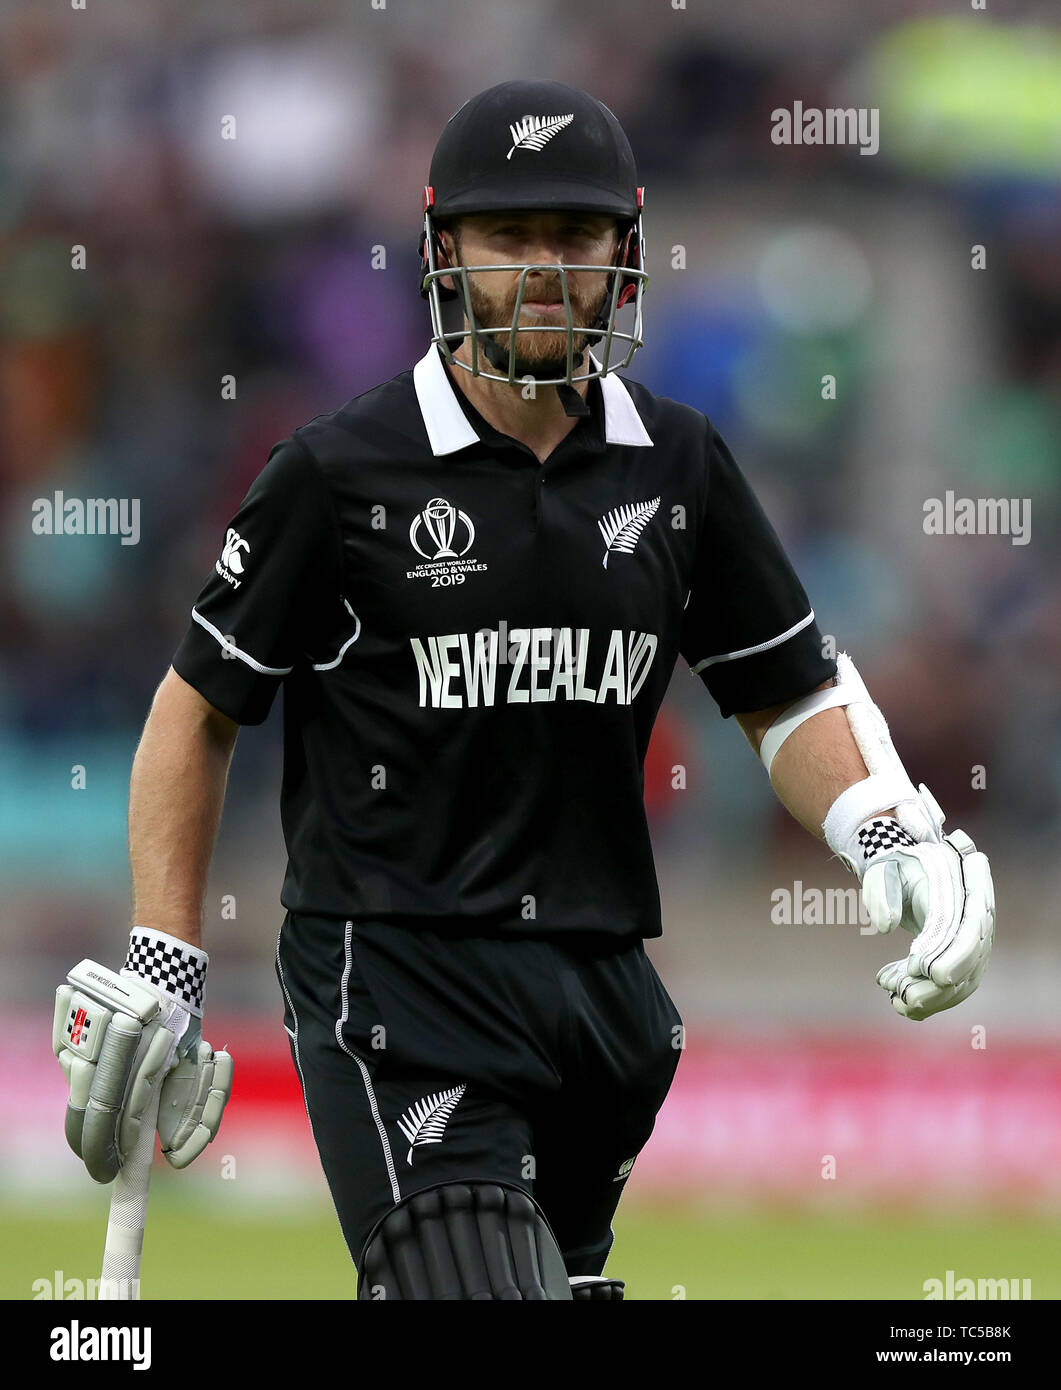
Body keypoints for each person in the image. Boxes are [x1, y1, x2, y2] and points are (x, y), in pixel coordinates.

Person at [53, 80, 995, 1301]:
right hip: (398, 983)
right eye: (511, 239)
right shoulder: (336, 473)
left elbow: (783, 692)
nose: (544, 272)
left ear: (626, 254)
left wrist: (874, 824)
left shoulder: (679, 462)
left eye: (575, 237)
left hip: (603, 1003)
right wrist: (168, 956)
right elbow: (199, 710)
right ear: (446, 253)